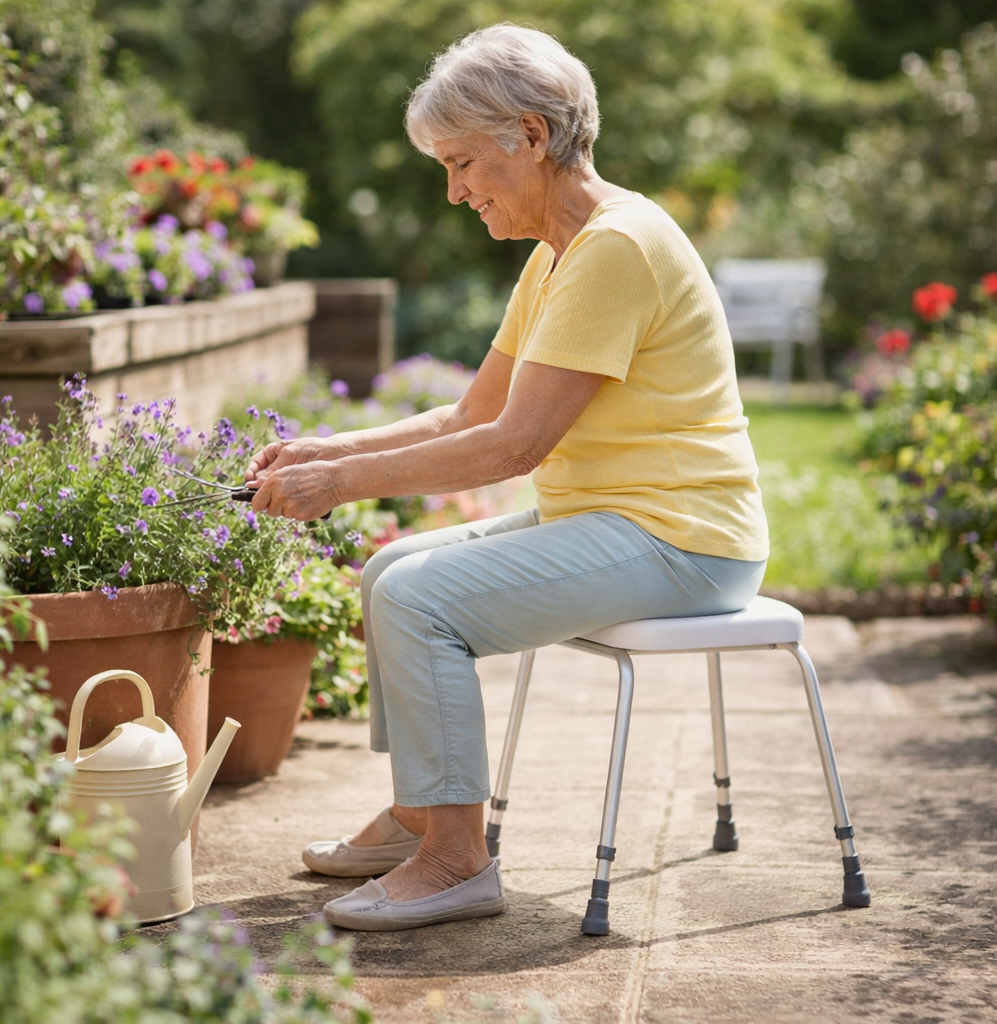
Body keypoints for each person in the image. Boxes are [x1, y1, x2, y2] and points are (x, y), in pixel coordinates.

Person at [246, 23, 769, 932]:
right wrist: (323, 452)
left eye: (461, 164)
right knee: (387, 574)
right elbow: (467, 415)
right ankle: (422, 813)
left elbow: (511, 449)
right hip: (619, 523)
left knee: (419, 601)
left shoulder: (617, 248)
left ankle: (456, 861)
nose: (455, 194)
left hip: (685, 541)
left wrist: (341, 487)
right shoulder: (560, 252)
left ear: (530, 136)